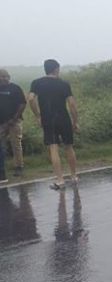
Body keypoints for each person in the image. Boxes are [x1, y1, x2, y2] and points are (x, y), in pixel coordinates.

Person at [28, 59, 79, 190]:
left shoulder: (37, 83)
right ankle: (74, 176)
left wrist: (37, 115)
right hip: (63, 117)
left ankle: (60, 180)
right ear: (56, 69)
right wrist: (75, 121)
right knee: (69, 146)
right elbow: (72, 104)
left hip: (48, 118)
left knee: (53, 148)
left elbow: (31, 99)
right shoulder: (64, 84)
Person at [0, 69, 27, 180]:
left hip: (14, 121)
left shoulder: (15, 88)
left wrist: (14, 119)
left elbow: (22, 104)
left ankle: (19, 167)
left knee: (16, 145)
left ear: (9, 77)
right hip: (1, 123)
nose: (3, 78)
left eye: (4, 76)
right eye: (1, 76)